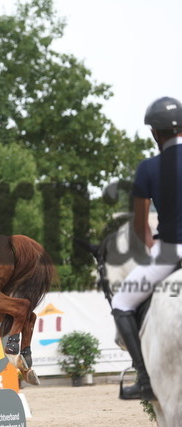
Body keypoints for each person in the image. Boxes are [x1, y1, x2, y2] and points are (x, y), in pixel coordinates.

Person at [111, 96, 182, 400]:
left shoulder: (148, 168)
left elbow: (141, 228)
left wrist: (153, 246)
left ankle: (144, 379)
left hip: (169, 253)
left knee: (122, 303)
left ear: (155, 133)